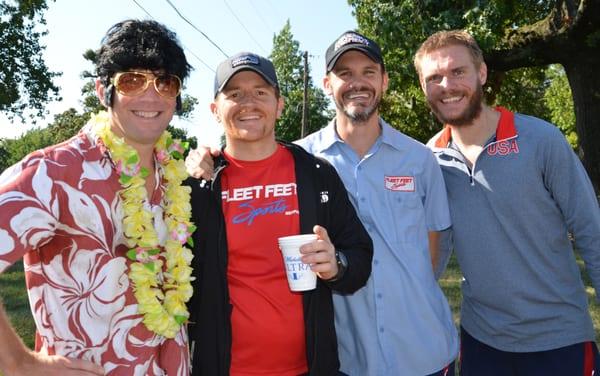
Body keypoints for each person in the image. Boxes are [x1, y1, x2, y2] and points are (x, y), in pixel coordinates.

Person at [185, 32, 458, 376]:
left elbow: (433, 249)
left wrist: (339, 266)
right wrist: (198, 166)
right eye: (344, 73)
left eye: (368, 72)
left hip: (418, 352)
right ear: (327, 84)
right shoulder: (299, 163)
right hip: (342, 358)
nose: (357, 82)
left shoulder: (413, 159)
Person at [0, 19, 194, 375]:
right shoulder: (55, 171)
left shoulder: (174, 175)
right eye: (132, 80)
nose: (151, 95)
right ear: (104, 90)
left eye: (165, 82)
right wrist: (16, 362)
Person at [415, 30, 600, 375]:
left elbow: (591, 231)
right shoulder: (429, 160)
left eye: (458, 72)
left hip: (559, 339)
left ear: (481, 73)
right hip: (481, 342)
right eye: (434, 78)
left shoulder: (540, 140)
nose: (447, 85)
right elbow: (434, 250)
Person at [185, 52, 373, 376]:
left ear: (279, 104)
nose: (249, 103)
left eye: (261, 92)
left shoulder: (316, 174)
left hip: (310, 367)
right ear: (215, 110)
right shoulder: (199, 186)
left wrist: (336, 264)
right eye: (234, 94)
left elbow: (359, 255)